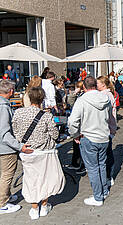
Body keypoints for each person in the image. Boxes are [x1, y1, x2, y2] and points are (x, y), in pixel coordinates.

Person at [12, 87, 65, 220]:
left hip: (27, 151)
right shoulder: (46, 115)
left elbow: (15, 131)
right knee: (45, 179)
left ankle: (34, 208)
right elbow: (54, 134)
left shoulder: (18, 113)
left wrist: (21, 144)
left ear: (29, 98)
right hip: (45, 152)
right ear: (42, 99)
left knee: (31, 180)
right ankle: (44, 205)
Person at [68, 77, 116, 206]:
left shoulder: (82, 100)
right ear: (95, 85)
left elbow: (72, 121)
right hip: (103, 137)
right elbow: (111, 117)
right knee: (101, 165)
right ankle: (103, 191)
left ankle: (98, 197)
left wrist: (75, 135)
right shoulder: (105, 98)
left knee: (94, 168)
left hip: (89, 137)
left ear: (84, 87)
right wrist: (112, 132)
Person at [0, 80, 33, 214]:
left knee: (4, 174)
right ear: (11, 91)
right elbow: (4, 133)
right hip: (5, 147)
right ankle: (2, 203)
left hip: (3, 146)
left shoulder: (3, 104)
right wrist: (20, 147)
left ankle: (5, 196)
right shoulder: (3, 106)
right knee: (7, 175)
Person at [97, 76, 117, 186]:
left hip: (107, 129)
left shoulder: (106, 95)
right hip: (107, 128)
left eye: (98, 83)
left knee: (108, 154)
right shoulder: (105, 94)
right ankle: (107, 175)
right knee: (106, 153)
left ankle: (109, 176)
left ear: (103, 85)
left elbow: (108, 114)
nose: (96, 85)